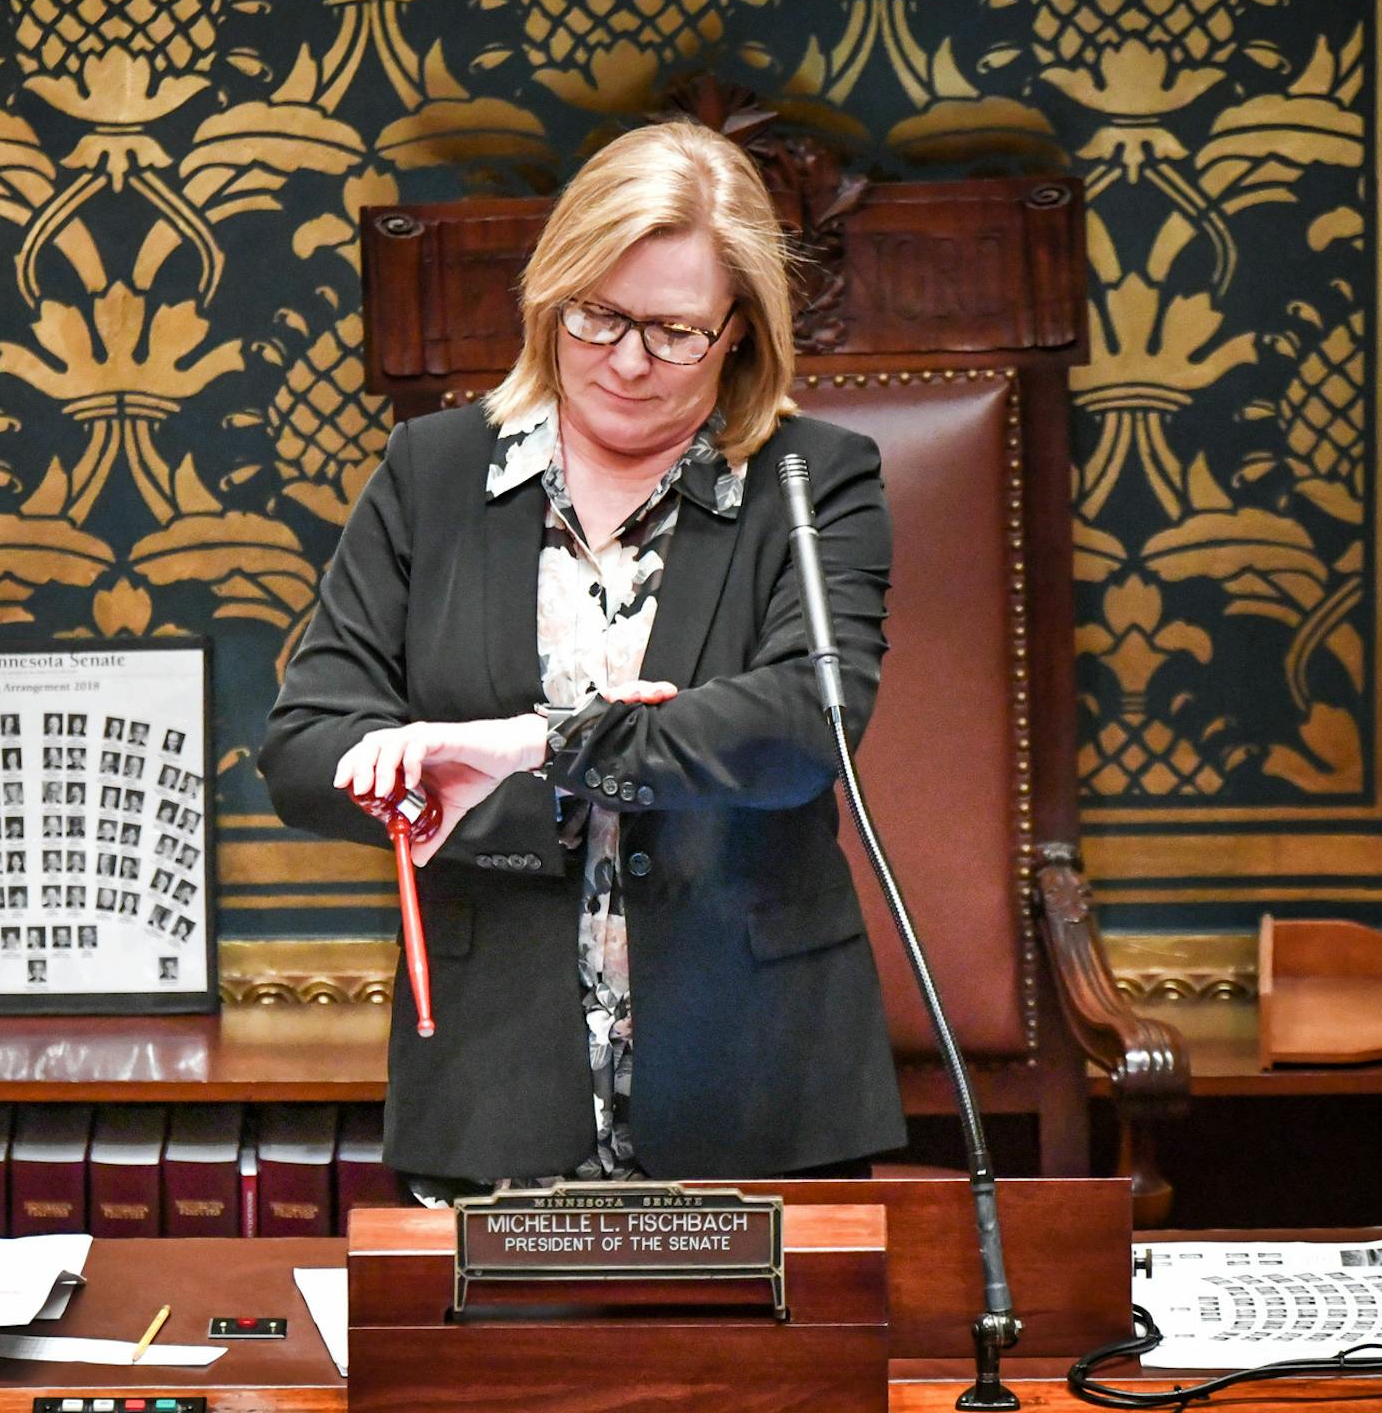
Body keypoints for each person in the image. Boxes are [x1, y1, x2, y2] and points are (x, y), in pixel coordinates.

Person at [259, 120, 902, 1185]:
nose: (629, 361)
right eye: (597, 317)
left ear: (740, 329)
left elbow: (799, 726)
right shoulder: (434, 474)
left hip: (758, 1085)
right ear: (551, 296)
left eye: (675, 330)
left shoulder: (813, 480)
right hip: (490, 1089)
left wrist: (527, 746)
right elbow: (303, 749)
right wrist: (426, 776)